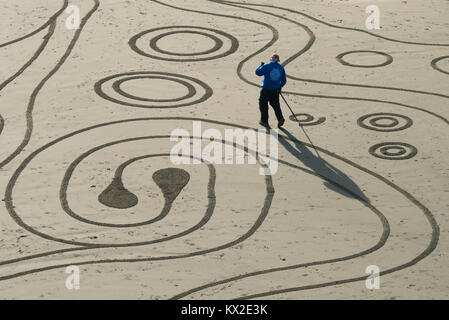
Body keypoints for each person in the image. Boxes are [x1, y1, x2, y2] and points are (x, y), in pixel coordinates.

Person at [255, 53, 286, 128]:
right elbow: (284, 80)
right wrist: (280, 87)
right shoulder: (281, 68)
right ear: (278, 60)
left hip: (266, 89)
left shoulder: (267, 66)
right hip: (275, 90)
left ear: (271, 59)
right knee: (276, 105)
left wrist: (261, 66)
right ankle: (280, 118)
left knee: (263, 104)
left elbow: (258, 72)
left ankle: (264, 121)